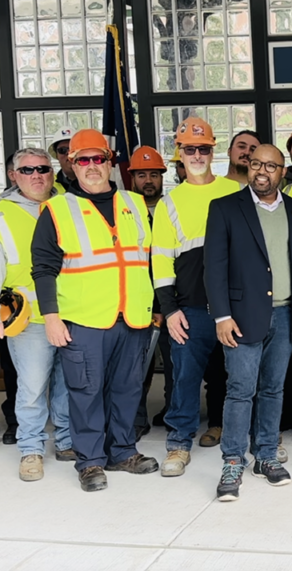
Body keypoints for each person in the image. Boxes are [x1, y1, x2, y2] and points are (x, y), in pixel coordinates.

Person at [31, 128, 160, 492]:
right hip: (84, 319)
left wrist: (155, 306)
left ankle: (122, 452)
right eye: (83, 159)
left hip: (132, 317)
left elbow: (149, 260)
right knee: (85, 392)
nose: (91, 166)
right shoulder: (57, 210)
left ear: (109, 162)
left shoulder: (135, 204)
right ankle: (89, 461)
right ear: (72, 164)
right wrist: (51, 317)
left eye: (98, 158)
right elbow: (43, 268)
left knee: (127, 389)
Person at [205, 144, 292, 502]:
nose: (262, 171)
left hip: (285, 314)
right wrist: (221, 316)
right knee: (240, 390)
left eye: (271, 165)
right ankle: (233, 461)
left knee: (273, 389)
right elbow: (214, 266)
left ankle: (265, 455)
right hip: (241, 316)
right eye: (256, 164)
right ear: (248, 167)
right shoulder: (225, 208)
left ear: (283, 171)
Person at [0, 148, 74, 481]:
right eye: (27, 170)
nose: (37, 175)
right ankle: (31, 449)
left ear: (52, 171)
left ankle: (66, 441)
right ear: (13, 175)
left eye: (43, 169)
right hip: (29, 320)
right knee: (32, 389)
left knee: (67, 385)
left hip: (72, 312)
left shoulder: (69, 205)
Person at [153, 119, 239, 476]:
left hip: (234, 305)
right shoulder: (169, 203)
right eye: (190, 149)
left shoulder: (235, 190)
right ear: (180, 154)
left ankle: (241, 439)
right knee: (185, 378)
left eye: (203, 148)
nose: (198, 155)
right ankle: (178, 443)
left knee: (239, 377)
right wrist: (170, 309)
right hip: (190, 308)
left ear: (213, 150)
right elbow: (161, 260)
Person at [128, 145, 173, 439]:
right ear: (132, 177)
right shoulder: (125, 209)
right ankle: (136, 418)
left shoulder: (172, 207)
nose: (148, 181)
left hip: (170, 297)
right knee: (136, 365)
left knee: (173, 363)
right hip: (136, 298)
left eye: (154, 175)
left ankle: (172, 411)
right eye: (142, 175)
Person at [48, 127, 76, 194]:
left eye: (72, 149)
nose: (68, 153)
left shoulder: (95, 180)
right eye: (62, 150)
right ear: (56, 155)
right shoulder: (48, 185)